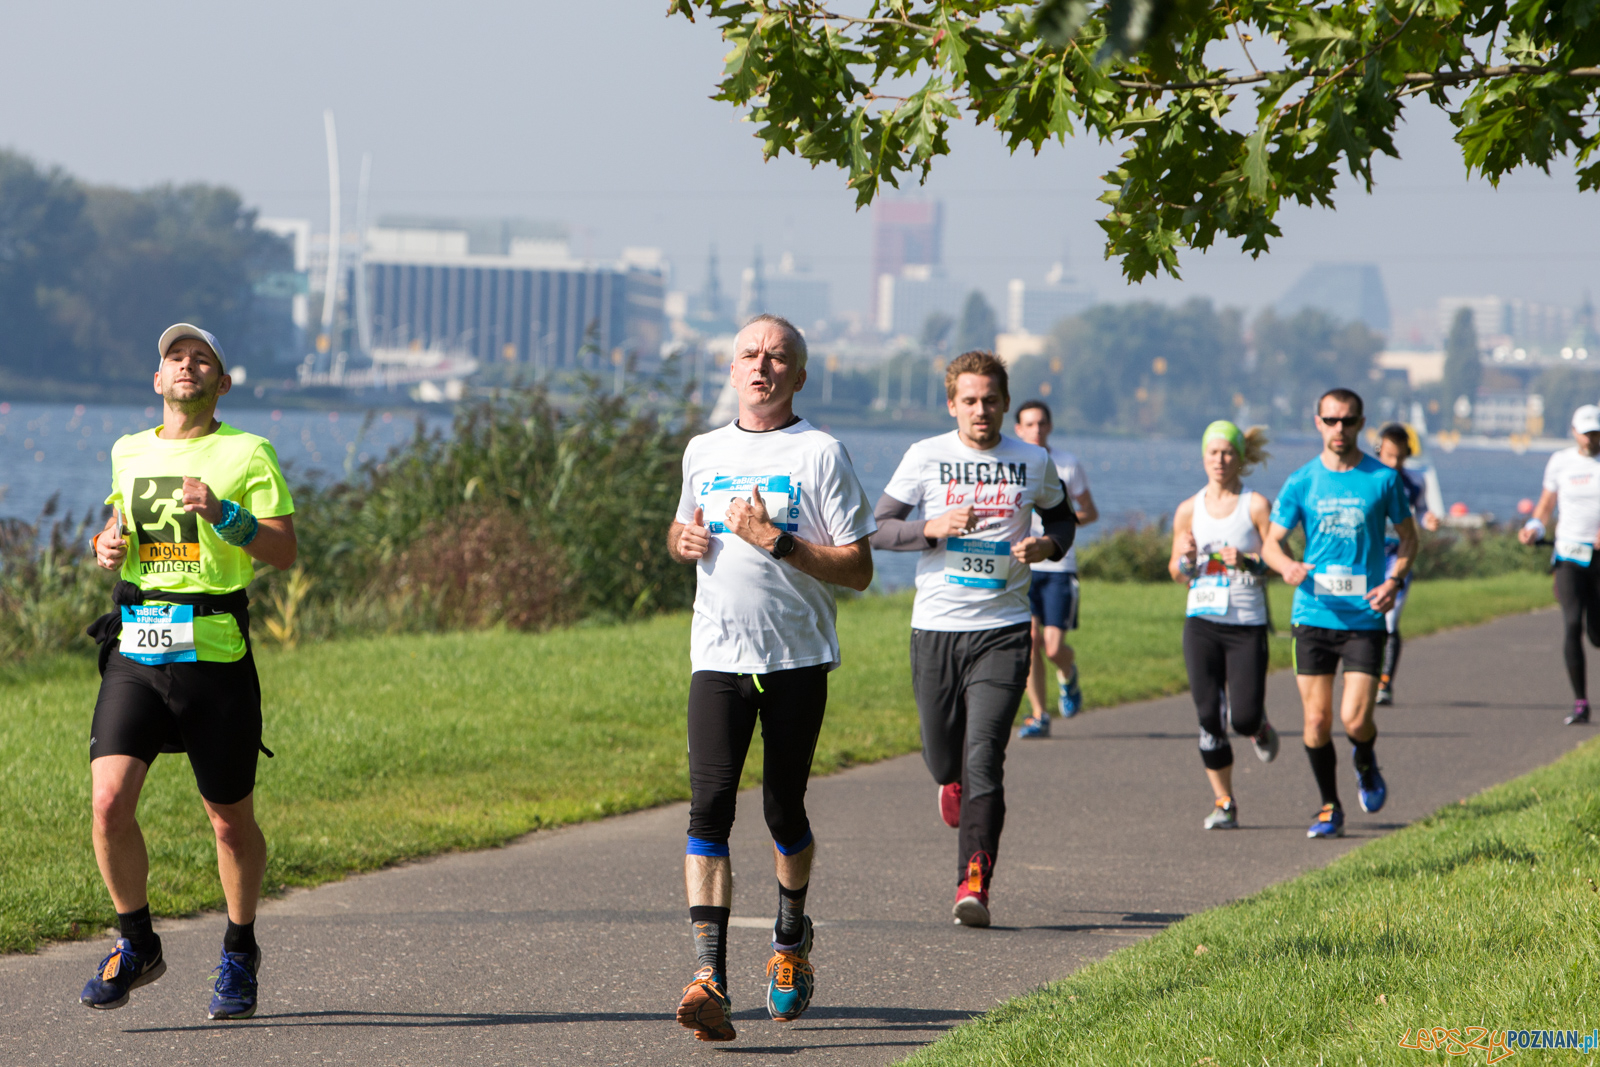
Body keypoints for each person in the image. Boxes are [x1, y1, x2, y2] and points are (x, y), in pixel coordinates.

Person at [666, 314, 875, 1042]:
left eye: (778, 356)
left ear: (798, 374)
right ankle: (708, 976)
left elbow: (859, 568)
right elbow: (682, 526)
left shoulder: (820, 453)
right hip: (718, 656)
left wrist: (778, 541)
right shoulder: (703, 449)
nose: (763, 365)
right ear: (732, 370)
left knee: (783, 811)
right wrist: (683, 538)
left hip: (795, 659)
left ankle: (789, 944)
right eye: (751, 354)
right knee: (709, 807)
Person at [79, 324, 296, 1019]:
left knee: (229, 821)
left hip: (214, 654)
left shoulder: (247, 451)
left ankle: (239, 948)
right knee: (109, 802)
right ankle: (136, 941)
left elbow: (283, 549)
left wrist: (227, 516)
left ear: (221, 384)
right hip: (137, 648)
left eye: (202, 358)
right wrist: (104, 543)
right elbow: (118, 524)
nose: (187, 364)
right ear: (157, 379)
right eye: (175, 356)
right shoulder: (129, 450)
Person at [871, 351, 1077, 927]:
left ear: (1006, 403)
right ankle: (950, 782)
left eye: (990, 400)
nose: (981, 410)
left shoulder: (1032, 460)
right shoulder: (926, 456)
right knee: (944, 759)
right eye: (969, 400)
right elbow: (878, 528)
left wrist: (1046, 547)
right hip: (936, 628)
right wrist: (929, 528)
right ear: (951, 404)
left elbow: (1063, 522)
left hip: (1004, 630)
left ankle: (974, 880)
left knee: (986, 755)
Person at [1261, 388, 1417, 840]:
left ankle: (1364, 761)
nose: (1339, 430)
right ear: (1317, 423)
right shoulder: (1301, 481)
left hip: (1365, 617)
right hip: (1312, 613)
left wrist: (1393, 581)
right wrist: (1287, 564)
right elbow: (1271, 543)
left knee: (1354, 720)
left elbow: (1409, 539)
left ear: (1360, 423)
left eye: (1347, 421)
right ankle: (1329, 806)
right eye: (1330, 421)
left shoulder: (1382, 479)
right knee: (1315, 722)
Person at [1168, 421, 1280, 830]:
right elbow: (1178, 571)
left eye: (1227, 452)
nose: (1220, 459)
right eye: (1213, 452)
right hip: (1201, 621)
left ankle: (1259, 727)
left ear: (1240, 457)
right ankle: (1224, 802)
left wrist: (1249, 562)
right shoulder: (1188, 510)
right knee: (1208, 717)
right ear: (1203, 457)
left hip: (1246, 622)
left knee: (1243, 718)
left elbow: (1276, 561)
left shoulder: (1256, 506)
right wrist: (1185, 560)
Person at [1012, 400, 1098, 738]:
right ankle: (1038, 714)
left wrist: (1058, 524)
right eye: (1028, 424)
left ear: (1049, 427)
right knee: (1029, 640)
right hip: (1022, 566)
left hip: (1060, 566)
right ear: (1018, 429)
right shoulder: (1010, 463)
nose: (1035, 430)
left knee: (1052, 647)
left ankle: (1068, 673)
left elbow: (1090, 511)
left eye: (1041, 424)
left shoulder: (1067, 464)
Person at [1518, 404, 1600, 725]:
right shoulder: (1560, 462)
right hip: (1567, 554)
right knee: (1571, 625)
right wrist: (1534, 528)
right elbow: (1545, 505)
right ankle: (1581, 702)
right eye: (1586, 432)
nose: (1591, 438)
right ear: (1574, 432)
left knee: (1597, 634)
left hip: (1599, 559)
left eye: (1596, 432)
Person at [1373, 424, 1441, 705]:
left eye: (1399, 457)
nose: (1393, 463)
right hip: (1369, 557)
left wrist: (1429, 520)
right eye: (1388, 456)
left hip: (1398, 557)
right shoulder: (1367, 477)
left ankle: (1385, 682)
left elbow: (1422, 510)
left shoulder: (1414, 481)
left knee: (1389, 618)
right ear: (1379, 452)